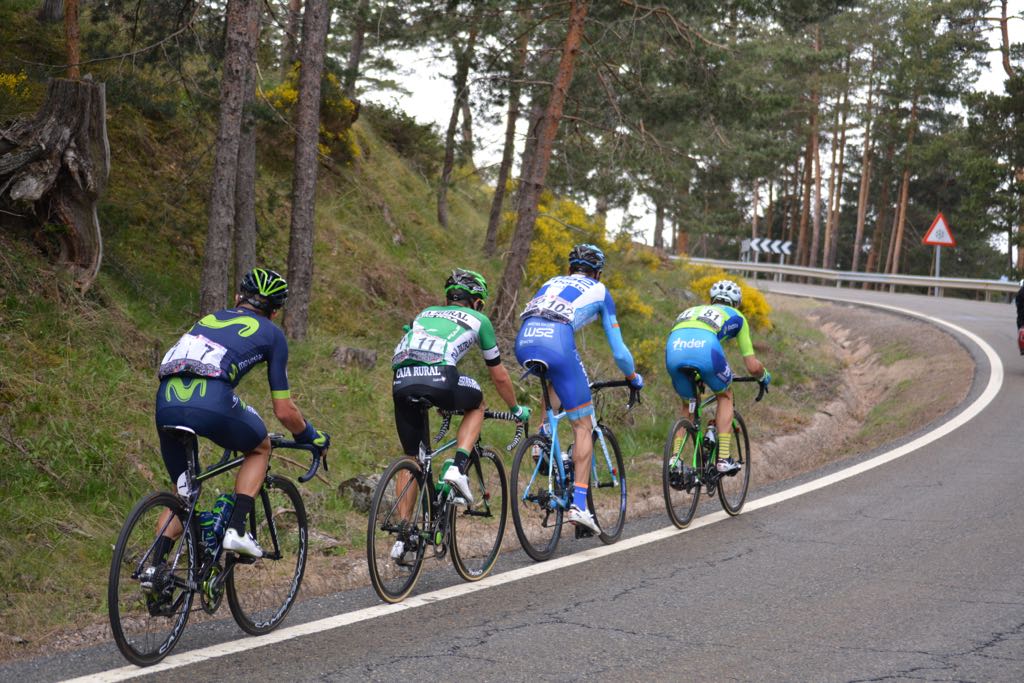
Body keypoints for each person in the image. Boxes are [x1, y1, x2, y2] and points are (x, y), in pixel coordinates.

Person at [153, 268, 330, 559]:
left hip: (166, 402)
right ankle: (236, 530)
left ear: (237, 298)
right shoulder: (273, 334)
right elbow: (284, 411)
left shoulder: (208, 320)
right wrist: (310, 436)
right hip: (211, 400)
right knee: (260, 447)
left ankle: (154, 570)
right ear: (273, 313)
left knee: (182, 497)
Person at [514, 243, 643, 534]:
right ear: (597, 273)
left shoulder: (550, 282)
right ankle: (580, 506)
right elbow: (620, 352)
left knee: (558, 377)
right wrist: (633, 376)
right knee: (583, 426)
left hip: (524, 341)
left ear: (570, 269)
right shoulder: (600, 290)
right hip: (557, 342)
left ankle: (542, 437)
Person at [391, 268, 530, 513]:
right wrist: (516, 409)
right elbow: (498, 376)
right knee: (477, 404)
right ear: (477, 302)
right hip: (440, 376)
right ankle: (457, 467)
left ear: (448, 298)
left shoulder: (424, 313)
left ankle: (403, 536)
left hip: (401, 380)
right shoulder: (480, 320)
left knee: (412, 457)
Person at [664, 279, 769, 475]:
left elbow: (687, 339)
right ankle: (723, 458)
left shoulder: (691, 311)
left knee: (687, 405)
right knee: (725, 395)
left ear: (712, 300)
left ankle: (675, 459)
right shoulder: (737, 316)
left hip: (674, 350)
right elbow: (752, 366)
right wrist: (763, 376)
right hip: (705, 349)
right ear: (736, 303)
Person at [1015, 281, 1024, 355]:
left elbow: (1017, 304)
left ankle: (1022, 348)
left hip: (1021, 317)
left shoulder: (1020, 292)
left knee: (1020, 329)